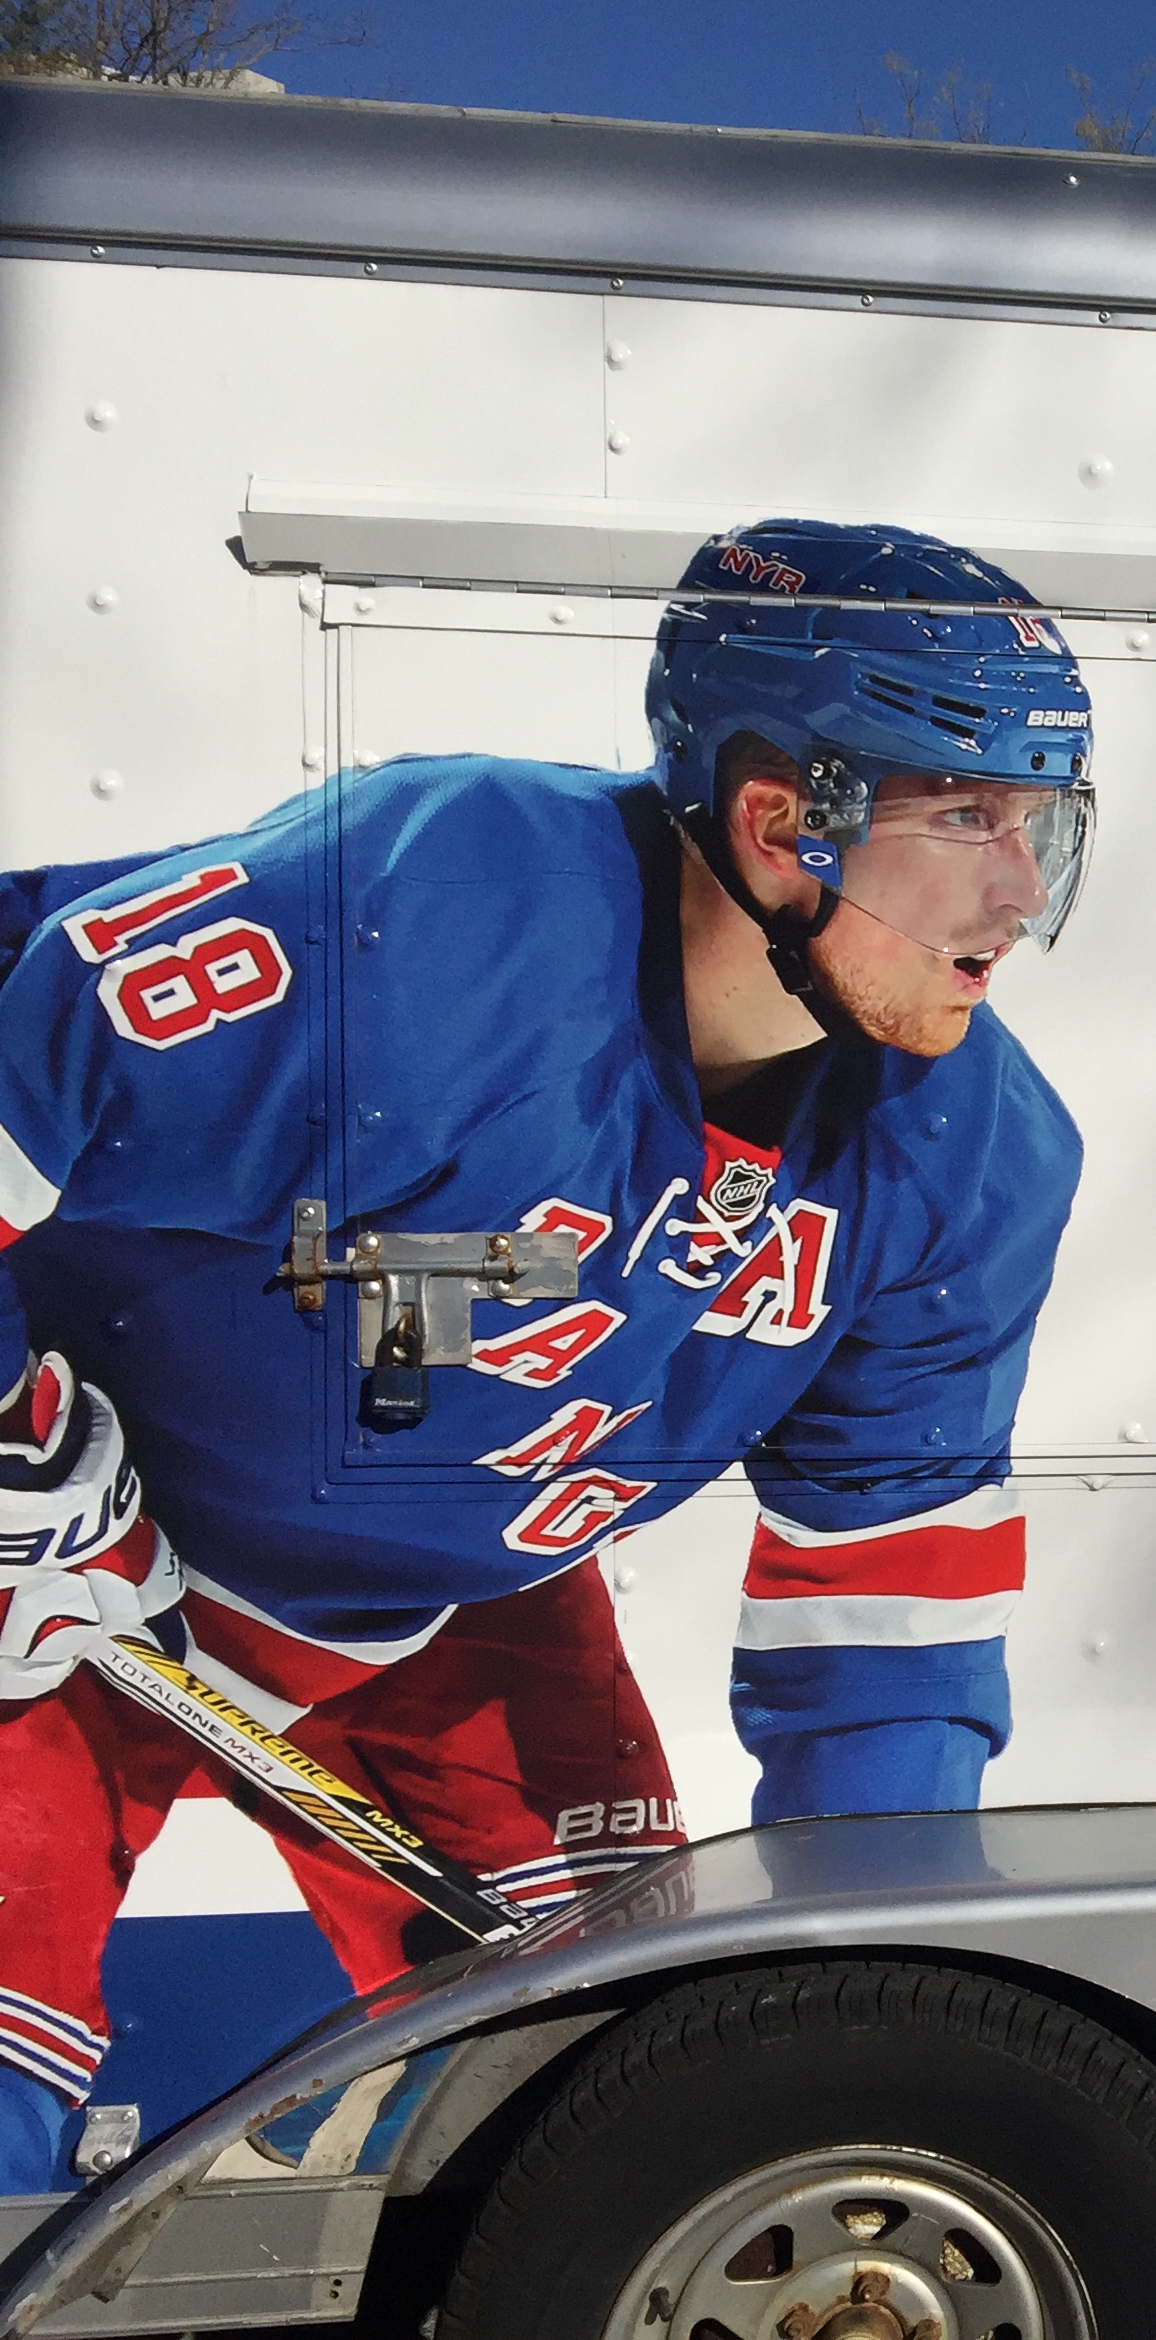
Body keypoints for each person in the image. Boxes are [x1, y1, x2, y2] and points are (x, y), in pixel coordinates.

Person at [0, 520, 1090, 2184]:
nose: (1021, 891)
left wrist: (886, 1994)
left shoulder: (971, 1154)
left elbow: (888, 1620)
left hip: (452, 1605)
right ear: (778, 821)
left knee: (631, 2110)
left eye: (1042, 821)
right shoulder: (428, 918)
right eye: (967, 819)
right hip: (65, 1562)